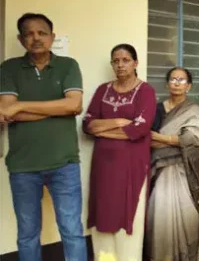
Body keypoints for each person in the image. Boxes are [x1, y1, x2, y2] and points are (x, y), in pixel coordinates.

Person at [0, 13, 87, 261]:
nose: (36, 38)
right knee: (27, 233)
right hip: (23, 165)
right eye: (29, 33)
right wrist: (53, 109)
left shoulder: (68, 65)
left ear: (52, 37)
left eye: (42, 32)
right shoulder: (9, 68)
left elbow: (74, 106)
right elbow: (6, 111)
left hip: (64, 163)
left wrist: (20, 107)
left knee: (72, 231)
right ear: (20, 38)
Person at [83, 44, 157, 261]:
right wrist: (118, 122)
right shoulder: (102, 90)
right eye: (116, 60)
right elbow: (87, 125)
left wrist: (102, 129)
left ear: (135, 63)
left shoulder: (145, 91)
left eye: (125, 60)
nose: (120, 64)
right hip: (103, 168)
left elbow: (140, 130)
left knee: (129, 218)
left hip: (132, 167)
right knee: (103, 215)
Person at [146, 67, 199, 261]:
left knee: (186, 213)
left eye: (181, 80)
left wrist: (162, 138)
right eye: (173, 79)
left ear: (188, 86)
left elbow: (195, 139)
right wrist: (174, 139)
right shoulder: (157, 109)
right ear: (167, 84)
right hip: (160, 171)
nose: (177, 83)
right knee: (160, 213)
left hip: (183, 169)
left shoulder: (193, 110)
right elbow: (148, 139)